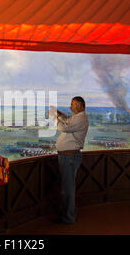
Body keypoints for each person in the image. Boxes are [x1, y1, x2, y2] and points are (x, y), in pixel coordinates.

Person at [49, 96, 89, 225]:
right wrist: (59, 113)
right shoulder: (77, 118)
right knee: (67, 188)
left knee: (67, 190)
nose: (70, 107)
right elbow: (67, 120)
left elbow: (63, 127)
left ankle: (68, 218)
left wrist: (53, 117)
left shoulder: (81, 118)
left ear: (79, 105)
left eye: (72, 104)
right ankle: (68, 215)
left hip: (69, 158)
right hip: (67, 157)